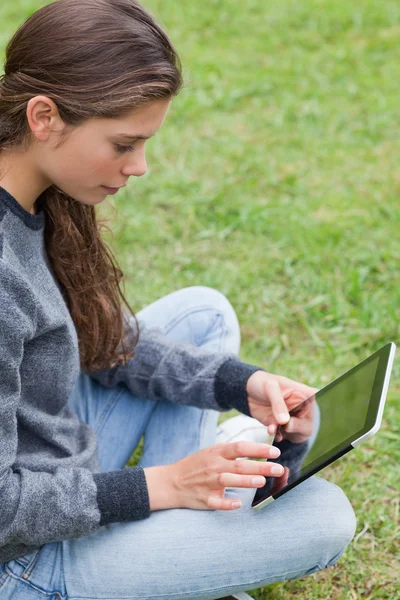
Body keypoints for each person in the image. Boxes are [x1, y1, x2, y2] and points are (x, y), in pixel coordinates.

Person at [0, 1, 357, 599]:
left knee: (202, 314)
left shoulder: (41, 193)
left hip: (55, 452)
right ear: (44, 117)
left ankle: (190, 521)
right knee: (326, 519)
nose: (139, 167)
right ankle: (185, 533)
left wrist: (242, 384)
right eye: (123, 144)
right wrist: (158, 486)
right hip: (24, 556)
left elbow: (101, 339)